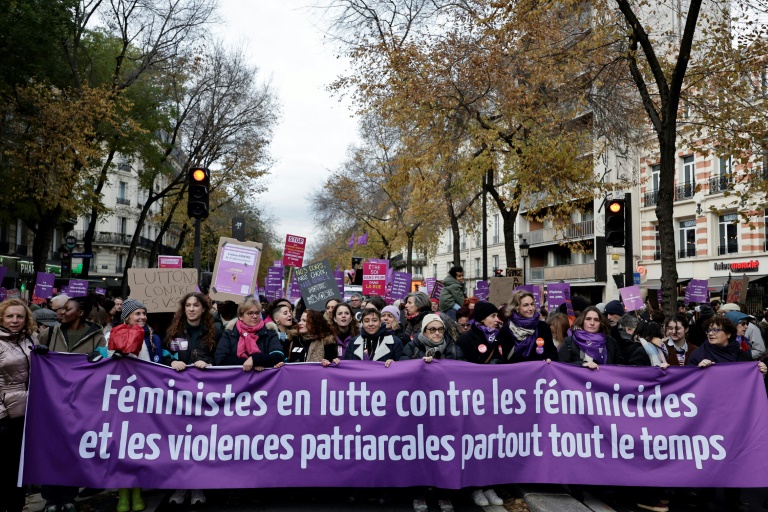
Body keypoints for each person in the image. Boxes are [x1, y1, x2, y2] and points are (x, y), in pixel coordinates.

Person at [687, 316, 766, 511]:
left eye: (716, 330)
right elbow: (686, 384)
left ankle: (734, 497)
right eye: (709, 330)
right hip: (708, 416)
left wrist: (760, 372)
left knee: (734, 455)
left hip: (735, 416)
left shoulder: (741, 355)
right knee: (709, 455)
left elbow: (750, 382)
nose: (711, 334)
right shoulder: (699, 354)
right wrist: (698, 371)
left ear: (728, 334)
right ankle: (705, 496)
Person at [0, 299, 37, 512]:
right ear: (1, 318)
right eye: (10, 316)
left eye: (19, 316)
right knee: (3, 468)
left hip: (27, 413)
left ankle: (16, 506)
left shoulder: (29, 338)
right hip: (5, 416)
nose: (15, 320)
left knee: (19, 468)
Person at [215, 297, 284, 370]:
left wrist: (255, 359)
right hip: (236, 380)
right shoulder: (230, 333)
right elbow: (220, 359)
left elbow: (278, 355)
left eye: (257, 313)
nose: (254, 316)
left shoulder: (269, 332)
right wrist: (251, 363)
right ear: (241, 316)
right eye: (250, 313)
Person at [164, 292, 218, 373]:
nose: (191, 309)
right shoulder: (173, 331)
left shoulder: (214, 332)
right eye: (188, 305)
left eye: (196, 305)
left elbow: (219, 358)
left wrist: (209, 365)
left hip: (205, 380)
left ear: (203, 309)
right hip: (179, 380)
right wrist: (172, 362)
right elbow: (163, 352)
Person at [499, 290, 557, 363]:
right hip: (516, 373)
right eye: (525, 305)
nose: (531, 308)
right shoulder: (506, 329)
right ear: (516, 308)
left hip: (538, 372)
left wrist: (549, 358)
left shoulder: (542, 326)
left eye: (532, 304)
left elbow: (551, 350)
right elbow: (502, 357)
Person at [558, 306, 624, 369]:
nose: (592, 323)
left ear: (601, 323)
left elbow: (620, 367)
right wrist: (582, 364)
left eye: (596, 320)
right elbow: (561, 366)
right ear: (582, 321)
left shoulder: (610, 342)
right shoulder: (570, 341)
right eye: (588, 319)